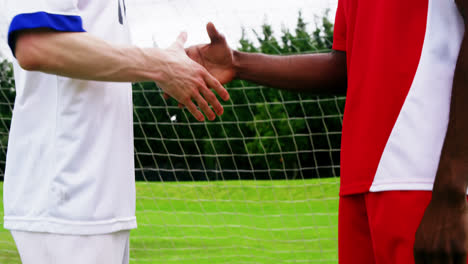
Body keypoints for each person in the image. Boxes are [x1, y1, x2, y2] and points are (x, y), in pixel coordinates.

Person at [184, 0, 468, 262]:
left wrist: (452, 191)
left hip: (427, 183)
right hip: (361, 187)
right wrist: (237, 63)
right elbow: (345, 64)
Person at [3, 0, 229, 263]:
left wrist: (173, 66)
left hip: (96, 207)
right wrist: (160, 65)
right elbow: (36, 45)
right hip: (66, 206)